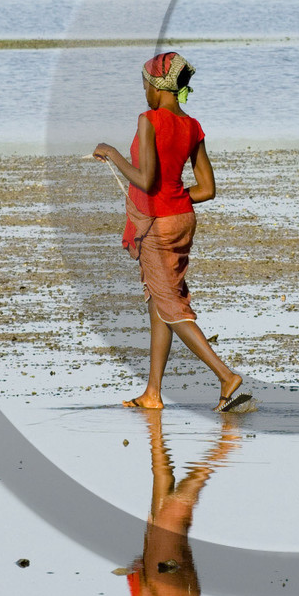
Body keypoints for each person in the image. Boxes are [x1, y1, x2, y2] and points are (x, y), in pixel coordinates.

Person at [93, 52, 249, 412]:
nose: (143, 92)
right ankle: (152, 393)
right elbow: (207, 188)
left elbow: (146, 180)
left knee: (173, 307)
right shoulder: (192, 126)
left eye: (145, 85)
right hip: (182, 219)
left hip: (159, 225)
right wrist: (176, 198)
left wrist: (113, 154)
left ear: (157, 87)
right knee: (160, 302)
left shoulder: (149, 120)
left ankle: (226, 376)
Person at [104, 407, 240, 596]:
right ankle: (224, 445)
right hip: (159, 593)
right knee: (176, 510)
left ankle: (156, 426)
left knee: (163, 497)